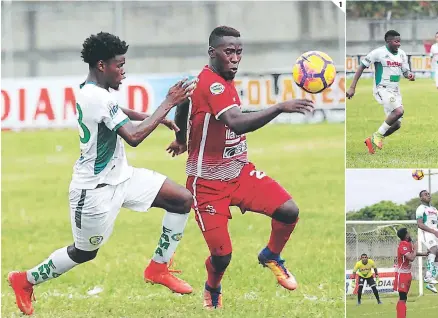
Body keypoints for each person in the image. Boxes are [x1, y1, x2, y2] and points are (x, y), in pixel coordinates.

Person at [7, 32, 196, 316]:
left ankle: (158, 267)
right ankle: (24, 280)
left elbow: (115, 109)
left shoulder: (92, 90)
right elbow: (132, 137)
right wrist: (166, 104)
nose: (123, 71)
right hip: (94, 192)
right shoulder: (96, 96)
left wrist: (154, 116)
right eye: (119, 65)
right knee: (84, 252)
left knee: (182, 199)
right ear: (101, 65)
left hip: (123, 177)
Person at [166, 26, 314, 310]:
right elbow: (237, 122)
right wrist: (280, 107)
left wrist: (180, 138)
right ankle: (212, 287)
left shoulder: (210, 79)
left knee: (288, 210)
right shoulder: (213, 84)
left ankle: (271, 255)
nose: (235, 58)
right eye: (228, 52)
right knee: (222, 256)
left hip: (239, 172)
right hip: (207, 184)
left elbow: (183, 104)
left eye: (238, 52)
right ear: (212, 53)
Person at [346, 30, 415, 154]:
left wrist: (409, 75)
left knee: (396, 124)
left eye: (400, 41)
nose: (399, 44)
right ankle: (378, 135)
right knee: (399, 111)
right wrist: (352, 87)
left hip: (395, 90)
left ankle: (372, 140)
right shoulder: (378, 53)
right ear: (388, 41)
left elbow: (405, 71)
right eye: (396, 41)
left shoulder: (402, 54)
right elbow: (361, 67)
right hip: (382, 89)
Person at [395, 227, 429, 318]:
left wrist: (424, 253)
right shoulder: (403, 245)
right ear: (405, 235)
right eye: (408, 233)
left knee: (404, 298)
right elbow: (411, 257)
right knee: (402, 298)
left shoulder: (407, 244)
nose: (409, 234)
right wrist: (415, 248)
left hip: (407, 274)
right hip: (401, 274)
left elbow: (413, 254)